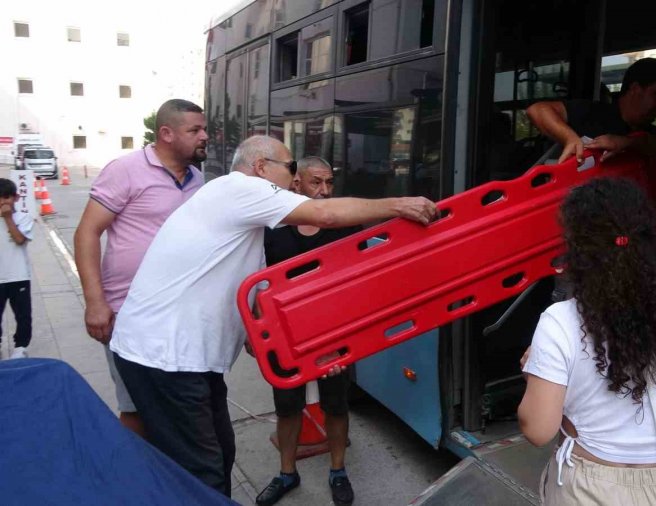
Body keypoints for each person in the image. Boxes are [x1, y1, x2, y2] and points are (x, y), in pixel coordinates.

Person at [109, 135, 437, 497]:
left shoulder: (247, 221)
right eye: (291, 168)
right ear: (262, 167)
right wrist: (398, 204)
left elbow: (263, 298)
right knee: (202, 470)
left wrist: (316, 354)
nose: (295, 180)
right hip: (164, 358)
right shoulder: (240, 189)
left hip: (185, 360)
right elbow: (325, 215)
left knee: (219, 455)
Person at [518, 178, 656, 505]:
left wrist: (535, 373)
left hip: (588, 490)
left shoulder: (560, 321)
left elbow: (538, 429)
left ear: (577, 248)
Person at [73, 99, 207, 437]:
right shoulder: (126, 170)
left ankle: (162, 477)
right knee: (136, 410)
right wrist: (95, 303)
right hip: (128, 314)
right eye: (194, 130)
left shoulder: (196, 179)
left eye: (203, 129)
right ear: (166, 134)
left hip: (177, 316)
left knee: (172, 408)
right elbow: (87, 232)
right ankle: (131, 482)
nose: (204, 136)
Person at [255, 156, 360, 506]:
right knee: (287, 407)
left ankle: (338, 471)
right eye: (316, 182)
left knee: (336, 405)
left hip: (333, 331)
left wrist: (346, 341)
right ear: (296, 184)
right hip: (285, 334)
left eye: (330, 183)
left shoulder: (342, 225)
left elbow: (358, 284)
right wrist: (254, 333)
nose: (325, 191)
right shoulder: (273, 225)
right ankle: (287, 473)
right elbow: (257, 282)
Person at [526, 57, 656, 229]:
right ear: (635, 89)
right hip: (572, 220)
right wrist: (569, 138)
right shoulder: (594, 113)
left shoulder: (652, 137)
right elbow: (538, 110)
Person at [0, 178, 34, 360]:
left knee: (23, 315)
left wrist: (7, 218)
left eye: (7, 197)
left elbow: (20, 240)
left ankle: (20, 347)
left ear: (16, 197)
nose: (3, 202)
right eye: (0, 198)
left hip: (18, 276)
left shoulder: (23, 218)